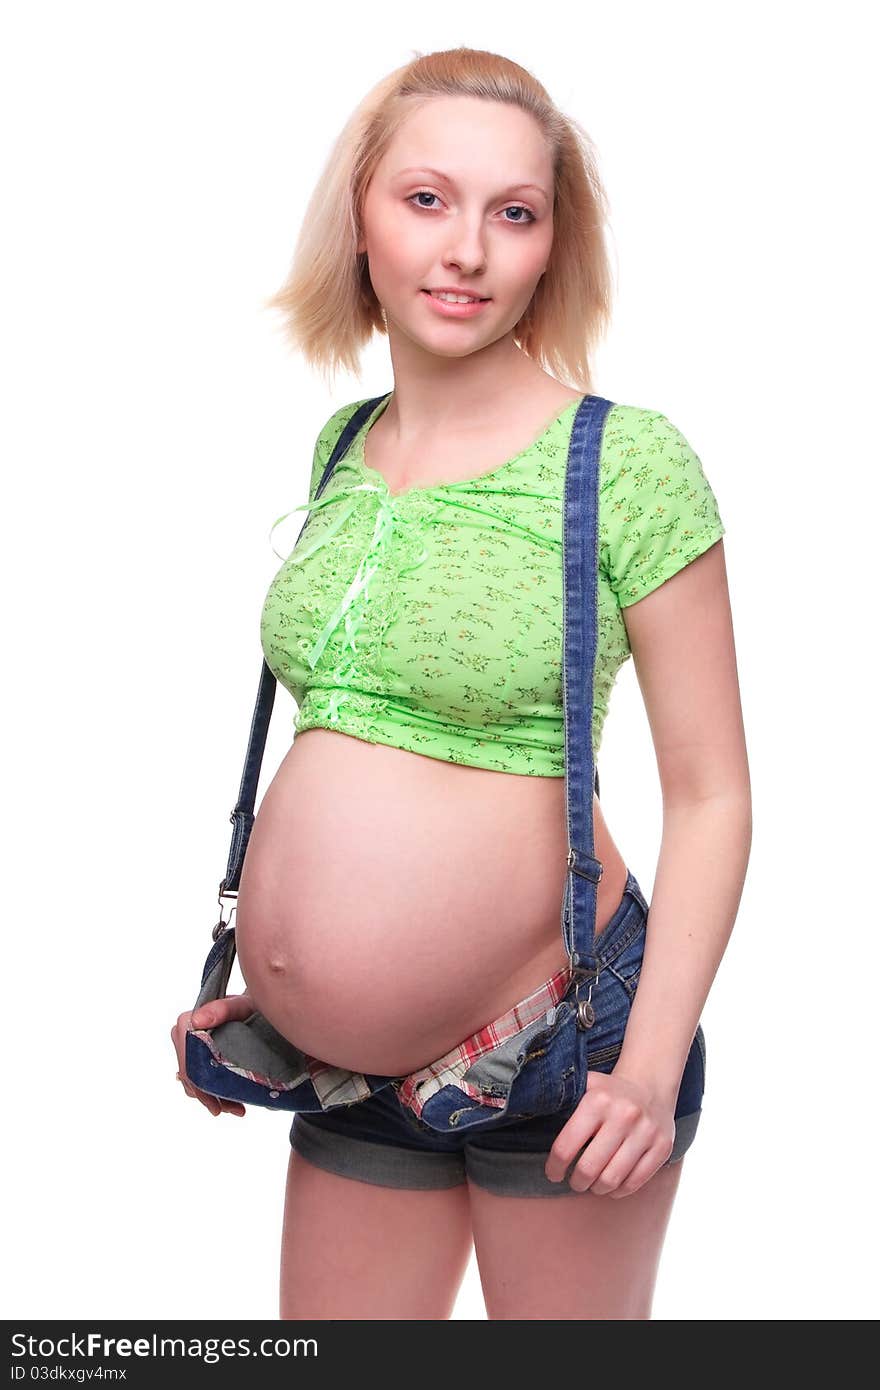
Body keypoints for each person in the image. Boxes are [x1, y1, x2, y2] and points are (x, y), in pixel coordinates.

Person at [171, 46, 751, 1321]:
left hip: (556, 1052)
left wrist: (646, 1073)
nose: (467, 252)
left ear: (550, 248)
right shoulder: (344, 445)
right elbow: (348, 730)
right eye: (426, 199)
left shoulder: (627, 462)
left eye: (514, 212)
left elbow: (711, 793)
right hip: (342, 1075)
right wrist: (274, 984)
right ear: (362, 218)